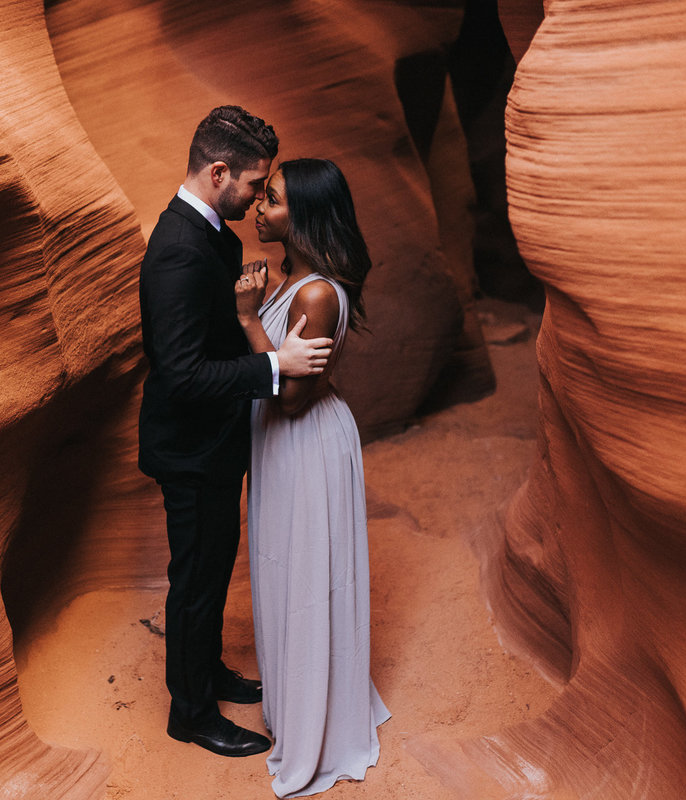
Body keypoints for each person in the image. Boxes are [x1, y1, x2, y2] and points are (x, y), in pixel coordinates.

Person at [137, 107, 335, 758]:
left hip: (216, 444)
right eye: (254, 184)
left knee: (217, 569)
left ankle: (209, 671)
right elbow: (183, 375)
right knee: (196, 579)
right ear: (218, 172)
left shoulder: (212, 234)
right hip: (190, 453)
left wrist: (244, 310)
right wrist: (276, 365)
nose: (257, 197)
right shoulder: (175, 251)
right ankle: (190, 713)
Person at [234, 158, 391, 797]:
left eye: (270, 200)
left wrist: (247, 320)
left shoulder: (318, 293)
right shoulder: (288, 280)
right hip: (277, 445)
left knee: (304, 575)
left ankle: (317, 728)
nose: (258, 209)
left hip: (304, 443)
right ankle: (296, 702)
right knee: (278, 568)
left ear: (302, 216)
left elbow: (293, 397)